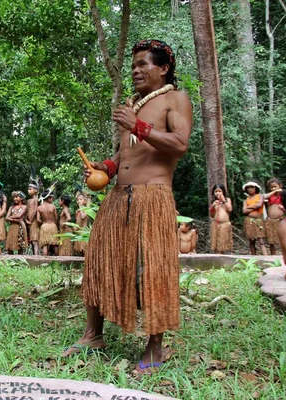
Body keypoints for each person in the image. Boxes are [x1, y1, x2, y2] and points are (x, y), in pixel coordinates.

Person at [65, 40, 192, 374]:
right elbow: (128, 153)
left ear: (163, 68)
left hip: (153, 196)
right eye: (133, 66)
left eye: (143, 64)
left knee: (152, 269)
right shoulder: (133, 103)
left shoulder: (175, 99)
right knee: (98, 260)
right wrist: (105, 167)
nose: (135, 70)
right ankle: (94, 334)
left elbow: (179, 144)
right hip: (118, 195)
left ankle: (155, 347)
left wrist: (137, 125)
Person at [242, 181, 268, 256]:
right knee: (251, 240)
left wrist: (249, 207)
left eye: (252, 187)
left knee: (261, 240)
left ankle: (266, 257)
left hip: (258, 221)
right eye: (248, 188)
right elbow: (244, 211)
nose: (250, 189)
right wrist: (255, 206)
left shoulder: (260, 196)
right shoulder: (246, 200)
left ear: (255, 188)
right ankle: (253, 257)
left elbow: (259, 205)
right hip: (249, 221)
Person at [209, 183, 233, 254]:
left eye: (220, 191)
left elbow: (229, 209)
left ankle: (223, 256)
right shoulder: (214, 202)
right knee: (216, 245)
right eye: (216, 191)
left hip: (224, 225)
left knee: (223, 245)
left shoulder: (227, 200)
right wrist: (212, 206)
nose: (218, 193)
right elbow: (212, 215)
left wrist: (223, 200)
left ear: (223, 192)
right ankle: (218, 257)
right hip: (216, 225)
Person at [265, 178, 286, 255]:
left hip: (280, 219)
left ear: (280, 186)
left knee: (282, 238)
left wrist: (283, 208)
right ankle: (272, 254)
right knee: (271, 239)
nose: (273, 188)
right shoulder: (270, 196)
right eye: (272, 187)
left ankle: (283, 254)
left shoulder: (283, 195)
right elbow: (264, 197)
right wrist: (274, 192)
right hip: (270, 220)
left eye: (275, 186)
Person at [37, 186, 58, 256]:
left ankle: (44, 262)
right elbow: (56, 218)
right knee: (55, 244)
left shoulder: (39, 208)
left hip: (44, 226)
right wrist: (55, 223)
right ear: (48, 198)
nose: (52, 199)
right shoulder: (53, 207)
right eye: (51, 197)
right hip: (52, 225)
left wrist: (43, 223)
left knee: (45, 245)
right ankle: (58, 262)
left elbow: (38, 219)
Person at [73, 189, 91, 256]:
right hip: (79, 231)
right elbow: (78, 221)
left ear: (85, 201)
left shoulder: (86, 209)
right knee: (80, 250)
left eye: (81, 199)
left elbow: (83, 217)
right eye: (78, 200)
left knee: (84, 250)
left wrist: (80, 207)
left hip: (84, 231)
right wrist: (75, 226)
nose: (79, 201)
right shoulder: (78, 211)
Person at [26, 175, 41, 255]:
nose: (28, 191)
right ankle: (34, 256)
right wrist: (26, 220)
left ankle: (36, 257)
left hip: (33, 222)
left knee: (35, 241)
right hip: (29, 222)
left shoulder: (36, 200)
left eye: (30, 189)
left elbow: (35, 210)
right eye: (28, 189)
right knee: (32, 241)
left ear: (35, 190)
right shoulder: (28, 200)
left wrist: (30, 220)